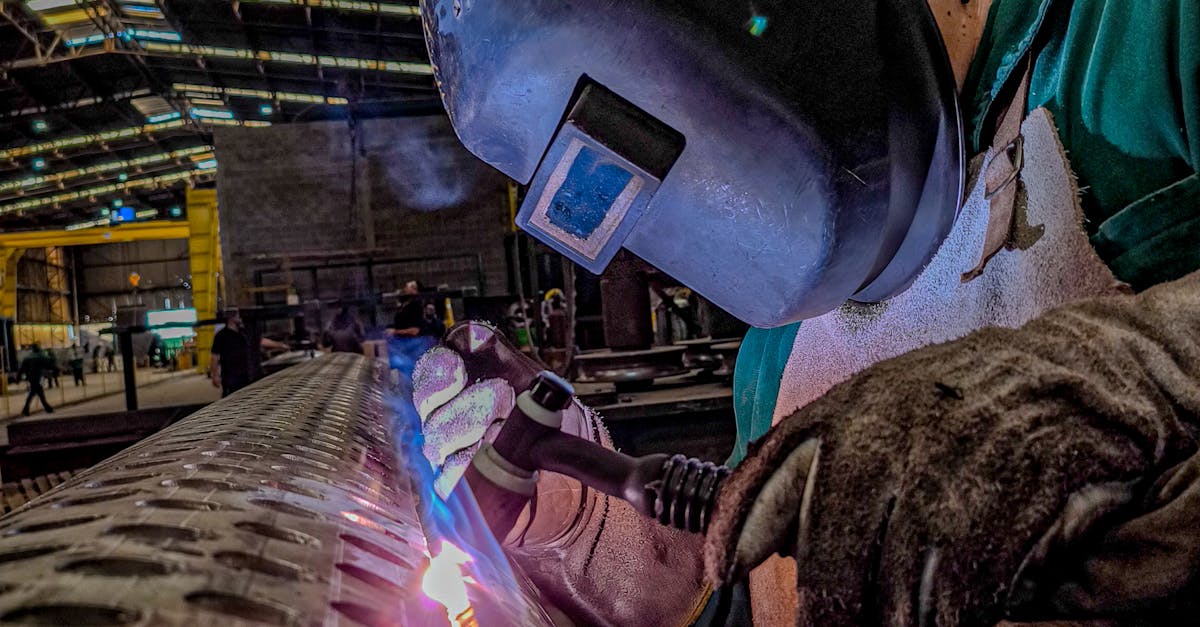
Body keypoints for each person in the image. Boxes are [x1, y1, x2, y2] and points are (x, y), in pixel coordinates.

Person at [414, 1, 1200, 625]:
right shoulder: (783, 334)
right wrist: (593, 523)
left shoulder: (1143, 32)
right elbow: (761, 594)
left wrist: (1114, 378)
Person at [388, 281, 437, 378]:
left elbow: (415, 330)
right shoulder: (406, 304)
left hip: (414, 343)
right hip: (406, 343)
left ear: (414, 290)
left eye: (407, 287)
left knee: (412, 372)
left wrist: (394, 332)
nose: (404, 289)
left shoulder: (415, 306)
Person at [210, 314, 251, 398]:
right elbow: (214, 357)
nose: (240, 317)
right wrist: (215, 375)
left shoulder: (242, 333)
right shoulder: (221, 336)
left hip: (245, 374)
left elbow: (258, 342)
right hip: (230, 377)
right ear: (230, 318)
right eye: (237, 315)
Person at [19, 344, 53, 416]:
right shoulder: (40, 356)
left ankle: (47, 408)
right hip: (37, 376)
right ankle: (26, 409)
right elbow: (48, 363)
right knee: (35, 393)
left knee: (36, 393)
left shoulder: (27, 357)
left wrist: (18, 378)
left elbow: (22, 369)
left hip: (30, 377)